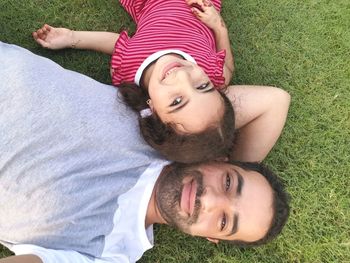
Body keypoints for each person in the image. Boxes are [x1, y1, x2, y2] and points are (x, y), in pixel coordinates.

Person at [0, 42, 290, 263]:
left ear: (211, 237)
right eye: (228, 183)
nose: (210, 199)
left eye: (224, 221)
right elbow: (274, 101)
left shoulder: (110, 251)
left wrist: (233, 175)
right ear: (219, 161)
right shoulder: (175, 133)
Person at [32, 0, 291, 163]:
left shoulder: (128, 69)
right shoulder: (209, 71)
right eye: (203, 87)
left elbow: (116, 43)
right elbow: (227, 69)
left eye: (177, 101)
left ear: (152, 108)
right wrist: (218, 27)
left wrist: (71, 37)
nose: (183, 76)